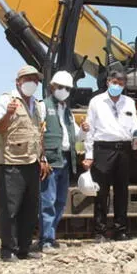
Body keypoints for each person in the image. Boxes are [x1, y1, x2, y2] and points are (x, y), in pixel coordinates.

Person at [0, 64, 51, 262]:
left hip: (32, 162)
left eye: (35, 80)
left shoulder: (37, 104)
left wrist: (43, 158)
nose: (32, 83)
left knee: (29, 208)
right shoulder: (6, 100)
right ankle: (8, 250)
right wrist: (8, 114)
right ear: (18, 82)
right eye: (28, 79)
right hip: (12, 162)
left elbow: (38, 133)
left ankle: (24, 248)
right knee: (11, 208)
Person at [82, 70, 137, 242]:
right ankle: (100, 231)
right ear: (108, 82)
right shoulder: (96, 101)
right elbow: (90, 130)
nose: (118, 85)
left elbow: (134, 124)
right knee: (101, 192)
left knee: (121, 191)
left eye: (122, 83)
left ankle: (120, 230)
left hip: (124, 150)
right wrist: (89, 154)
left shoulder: (129, 102)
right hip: (103, 149)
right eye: (115, 82)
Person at [38, 70, 89, 253]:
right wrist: (42, 157)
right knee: (48, 201)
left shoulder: (67, 112)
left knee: (60, 201)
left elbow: (75, 135)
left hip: (66, 160)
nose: (64, 90)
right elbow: (38, 134)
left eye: (67, 88)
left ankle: (50, 237)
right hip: (51, 161)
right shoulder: (43, 107)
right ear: (52, 87)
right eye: (60, 87)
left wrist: (83, 130)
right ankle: (46, 240)